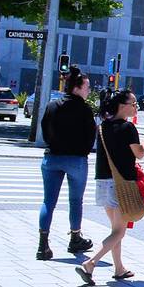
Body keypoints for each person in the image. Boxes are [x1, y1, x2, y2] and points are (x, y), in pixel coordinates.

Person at [76, 89, 144, 285]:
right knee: (119, 231)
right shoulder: (127, 128)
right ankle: (90, 263)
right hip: (121, 185)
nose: (136, 107)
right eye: (134, 104)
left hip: (102, 182)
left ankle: (119, 268)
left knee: (115, 229)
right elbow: (140, 153)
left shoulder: (103, 126)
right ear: (122, 106)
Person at [37, 67, 96, 260]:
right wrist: (83, 152)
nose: (89, 90)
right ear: (77, 88)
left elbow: (45, 130)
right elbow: (90, 137)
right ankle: (75, 238)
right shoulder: (85, 110)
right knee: (75, 200)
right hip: (76, 159)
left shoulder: (52, 105)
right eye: (87, 87)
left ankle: (43, 244)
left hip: (52, 157)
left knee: (48, 201)